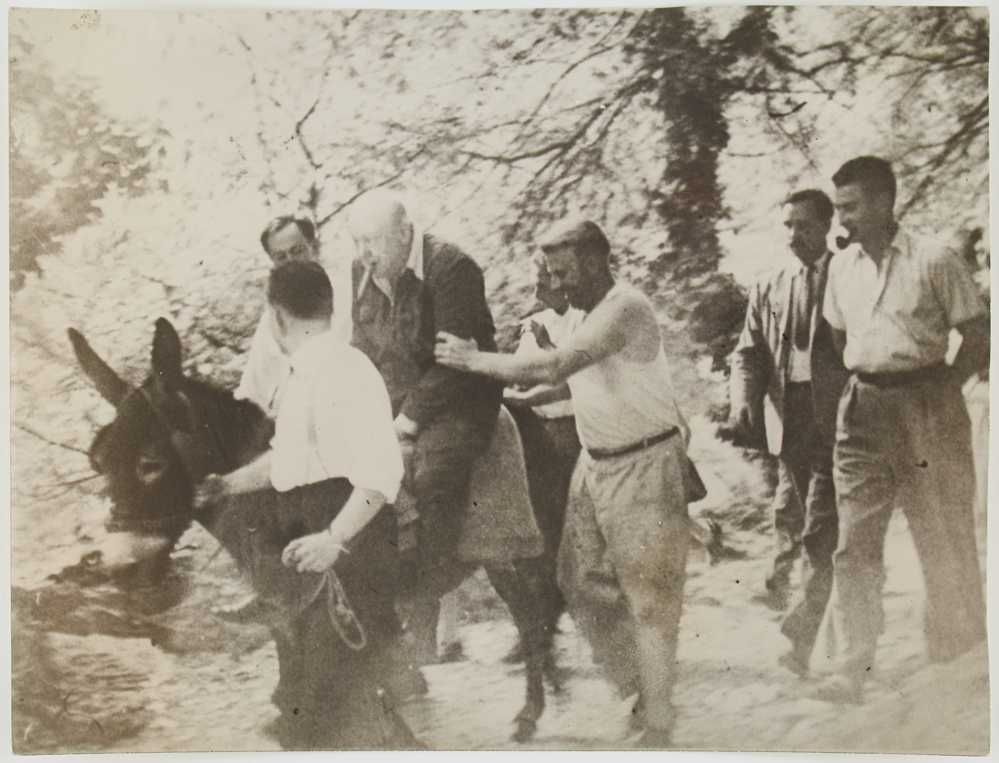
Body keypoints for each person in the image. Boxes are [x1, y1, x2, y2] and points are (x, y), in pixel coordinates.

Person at [436, 218, 692, 747]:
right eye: (551, 272)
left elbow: (554, 366)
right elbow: (562, 383)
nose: (557, 283)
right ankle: (643, 689)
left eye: (564, 271)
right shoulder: (578, 312)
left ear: (596, 261)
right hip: (596, 464)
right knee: (577, 584)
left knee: (649, 597)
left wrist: (470, 360)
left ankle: (659, 724)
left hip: (645, 462)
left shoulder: (625, 307)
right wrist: (503, 400)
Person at [194, 260, 410, 747]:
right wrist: (225, 486)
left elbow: (381, 473)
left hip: (351, 551)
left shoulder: (343, 370)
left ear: (275, 316)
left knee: (335, 719)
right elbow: (290, 462)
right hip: (320, 551)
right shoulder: (308, 372)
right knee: (327, 719)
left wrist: (334, 540)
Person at [815, 156, 988, 703]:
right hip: (864, 406)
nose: (841, 220)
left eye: (852, 207)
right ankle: (852, 664)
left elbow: (979, 334)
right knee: (854, 540)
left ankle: (959, 653)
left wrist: (943, 386)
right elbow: (839, 337)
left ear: (886, 202)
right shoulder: (840, 268)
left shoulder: (935, 259)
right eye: (838, 207)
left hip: (927, 402)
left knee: (942, 530)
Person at [347, 190, 502, 664]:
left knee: (432, 475)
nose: (364, 254)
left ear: (403, 232)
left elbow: (454, 362)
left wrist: (407, 422)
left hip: (457, 398)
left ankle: (425, 605)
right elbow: (362, 349)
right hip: (394, 400)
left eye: (371, 241)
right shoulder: (363, 273)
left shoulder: (451, 269)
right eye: (357, 242)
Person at [730, 189, 849, 676]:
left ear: (826, 225)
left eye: (804, 225)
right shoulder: (770, 285)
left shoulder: (850, 273)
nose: (795, 235)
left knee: (821, 528)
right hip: (790, 419)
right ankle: (827, 636)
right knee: (802, 525)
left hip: (840, 417)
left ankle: (801, 639)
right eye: (788, 226)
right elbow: (748, 353)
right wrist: (742, 400)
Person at [502, 254, 585, 659]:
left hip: (577, 433)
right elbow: (520, 371)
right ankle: (540, 629)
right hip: (537, 434)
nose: (537, 290)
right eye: (536, 281)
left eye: (545, 281)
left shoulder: (586, 319)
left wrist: (546, 349)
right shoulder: (534, 321)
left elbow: (572, 372)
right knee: (542, 532)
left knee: (576, 532)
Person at [235, 215, 321, 417]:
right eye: (281, 257)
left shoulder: (346, 296)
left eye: (297, 251)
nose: (290, 263)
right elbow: (252, 389)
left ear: (313, 249)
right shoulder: (271, 322)